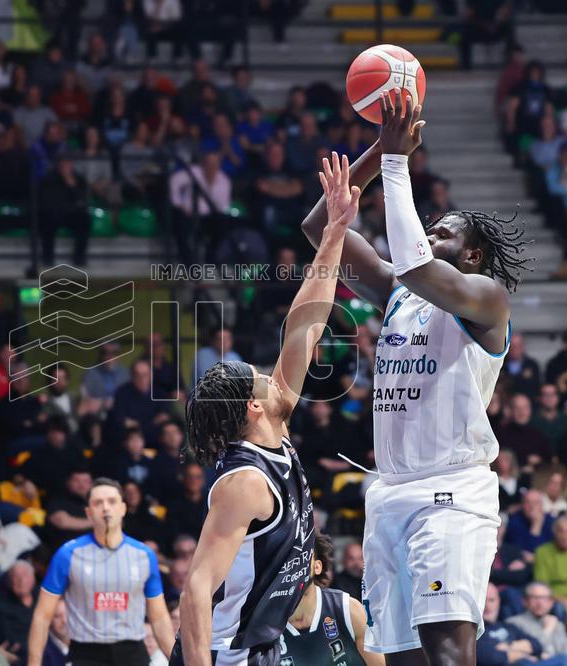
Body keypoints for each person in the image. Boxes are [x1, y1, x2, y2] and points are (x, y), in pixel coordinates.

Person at [301, 89, 532, 663]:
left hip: (451, 492)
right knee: (401, 657)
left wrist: (398, 162)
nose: (430, 235)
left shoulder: (486, 299)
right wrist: (379, 151)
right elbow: (319, 225)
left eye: (443, 233)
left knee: (447, 652)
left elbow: (415, 263)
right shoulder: (399, 293)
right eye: (428, 229)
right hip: (389, 494)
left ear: (473, 257)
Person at [171, 151, 359, 665]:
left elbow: (305, 326)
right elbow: (196, 589)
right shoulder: (245, 483)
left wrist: (335, 232)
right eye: (260, 376)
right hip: (225, 654)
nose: (271, 373)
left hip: (262, 647)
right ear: (254, 406)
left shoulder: (275, 428)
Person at [27, 478, 174, 666]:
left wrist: (176, 661)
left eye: (112, 501)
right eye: (98, 503)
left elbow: (159, 617)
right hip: (86, 653)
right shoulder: (67, 554)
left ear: (123, 508)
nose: (105, 508)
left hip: (132, 652)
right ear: (88, 513)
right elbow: (42, 616)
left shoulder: (145, 555)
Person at [279, 531, 383, 666]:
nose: (293, 565)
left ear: (317, 567)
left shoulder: (348, 609)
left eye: (301, 557)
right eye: (287, 558)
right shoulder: (265, 625)